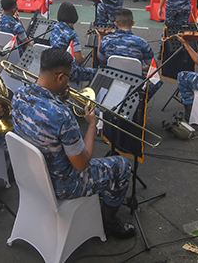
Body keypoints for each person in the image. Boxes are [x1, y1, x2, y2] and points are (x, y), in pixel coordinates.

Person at [11, 48, 135, 239]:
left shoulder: (19, 94)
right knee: (122, 165)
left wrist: (59, 101)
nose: (69, 81)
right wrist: (92, 125)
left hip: (30, 174)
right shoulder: (62, 116)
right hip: (63, 185)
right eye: (68, 77)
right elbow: (82, 164)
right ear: (60, 77)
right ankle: (109, 223)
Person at [97, 9, 154, 73]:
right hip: (135, 79)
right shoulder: (142, 43)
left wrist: (100, 38)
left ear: (115, 24)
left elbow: (101, 59)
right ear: (133, 23)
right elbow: (152, 64)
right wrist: (142, 68)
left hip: (112, 77)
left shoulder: (106, 40)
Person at [50, 2, 95, 84]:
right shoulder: (71, 34)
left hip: (54, 66)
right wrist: (83, 57)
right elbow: (79, 60)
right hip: (68, 71)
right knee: (95, 73)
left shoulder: (54, 27)